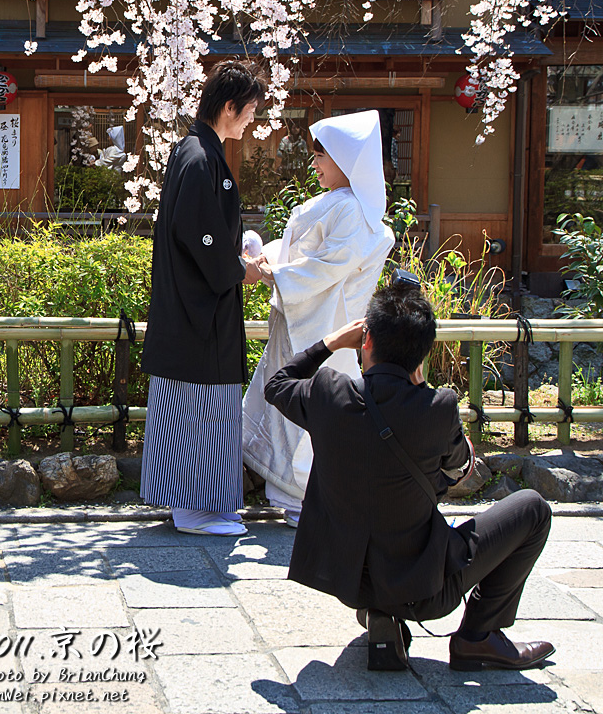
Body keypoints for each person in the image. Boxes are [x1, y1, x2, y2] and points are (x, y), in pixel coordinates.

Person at [263, 279, 555, 672]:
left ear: (365, 342)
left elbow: (276, 384)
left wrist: (330, 342)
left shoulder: (328, 394)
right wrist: (423, 389)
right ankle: (478, 638)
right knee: (532, 508)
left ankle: (379, 611)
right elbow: (459, 468)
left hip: (348, 581)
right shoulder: (438, 407)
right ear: (423, 351)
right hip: (423, 590)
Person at [242, 110, 395, 526]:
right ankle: (298, 495)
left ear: (345, 161)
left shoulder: (350, 210)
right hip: (311, 317)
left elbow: (326, 266)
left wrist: (272, 270)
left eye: (321, 156)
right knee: (304, 404)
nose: (314, 164)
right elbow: (307, 254)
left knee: (308, 407)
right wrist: (266, 258)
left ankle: (305, 495)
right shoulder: (349, 207)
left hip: (324, 323)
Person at [140, 60, 266, 536]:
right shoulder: (198, 157)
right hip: (196, 317)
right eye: (250, 110)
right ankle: (194, 509)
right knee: (197, 412)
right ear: (229, 107)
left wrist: (238, 254)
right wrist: (240, 268)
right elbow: (200, 237)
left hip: (194, 313)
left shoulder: (198, 152)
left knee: (198, 412)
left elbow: (207, 231)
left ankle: (206, 504)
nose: (253, 120)